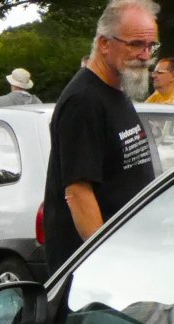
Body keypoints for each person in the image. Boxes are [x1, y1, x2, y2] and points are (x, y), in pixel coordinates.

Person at [45, 0, 160, 275]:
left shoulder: (115, 90)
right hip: (95, 272)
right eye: (136, 44)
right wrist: (106, 260)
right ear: (105, 44)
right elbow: (78, 192)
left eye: (151, 46)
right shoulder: (84, 101)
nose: (145, 55)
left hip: (127, 258)